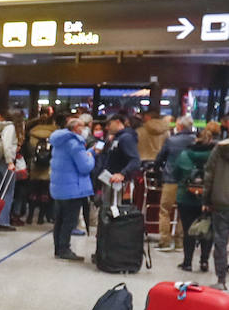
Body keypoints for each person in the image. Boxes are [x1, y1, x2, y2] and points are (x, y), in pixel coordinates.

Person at [48, 113, 95, 263]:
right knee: (69, 220)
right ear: (76, 128)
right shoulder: (75, 144)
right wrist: (92, 157)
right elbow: (84, 167)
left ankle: (58, 249)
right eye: (83, 126)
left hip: (59, 187)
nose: (85, 130)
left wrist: (88, 153)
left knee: (60, 220)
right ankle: (65, 249)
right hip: (73, 188)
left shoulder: (59, 142)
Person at [173, 124, 219, 275]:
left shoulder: (185, 154)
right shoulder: (217, 155)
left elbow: (175, 173)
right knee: (207, 229)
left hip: (185, 197)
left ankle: (187, 262)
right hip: (209, 198)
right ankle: (204, 261)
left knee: (188, 230)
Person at [155, 114, 198, 252]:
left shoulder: (171, 140)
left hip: (170, 179)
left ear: (179, 126)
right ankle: (180, 241)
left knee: (165, 210)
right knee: (183, 212)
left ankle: (165, 241)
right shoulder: (196, 140)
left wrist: (158, 173)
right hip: (189, 182)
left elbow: (160, 158)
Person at [200, 126, 229, 290]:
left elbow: (209, 175)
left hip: (221, 201)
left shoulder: (219, 149)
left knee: (220, 240)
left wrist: (206, 199)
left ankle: (221, 280)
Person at [18, 107, 57, 226]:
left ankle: (30, 216)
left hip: (34, 166)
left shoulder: (32, 133)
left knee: (33, 192)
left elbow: (28, 150)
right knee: (45, 193)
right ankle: (41, 217)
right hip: (49, 168)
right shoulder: (55, 133)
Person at [0, 110, 23, 232]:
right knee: (8, 192)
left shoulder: (1, 127)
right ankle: (4, 222)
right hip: (5, 162)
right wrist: (10, 162)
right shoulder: (11, 128)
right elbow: (7, 146)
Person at [103, 113, 141, 186]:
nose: (107, 128)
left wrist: (122, 173)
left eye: (109, 124)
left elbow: (135, 160)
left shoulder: (126, 138)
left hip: (121, 183)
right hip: (111, 180)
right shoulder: (116, 138)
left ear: (117, 122)